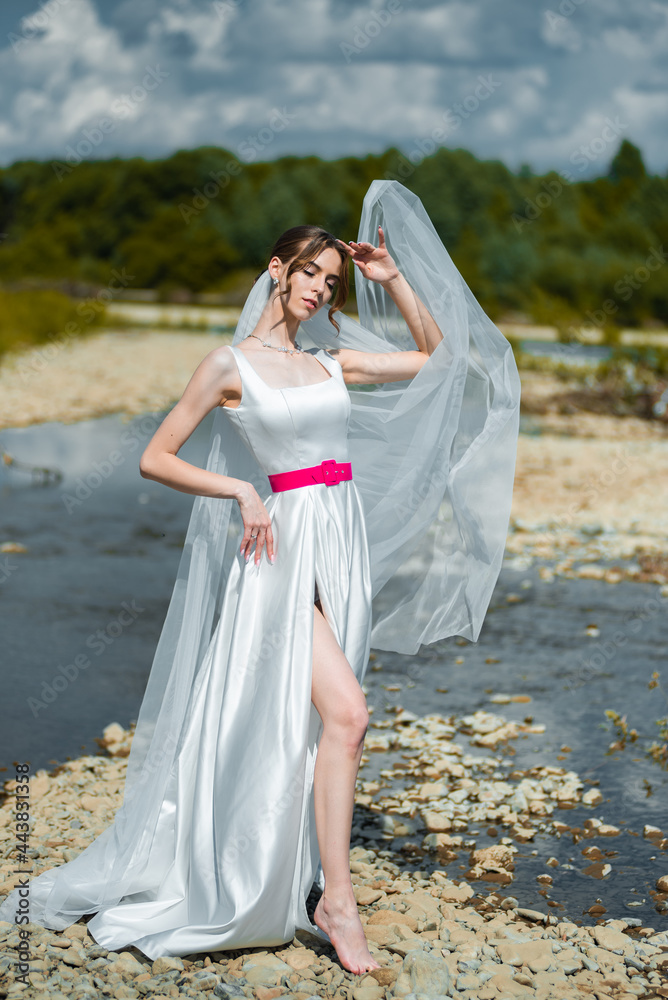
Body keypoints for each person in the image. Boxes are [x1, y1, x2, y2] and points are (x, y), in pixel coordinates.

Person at [0, 179, 521, 978]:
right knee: (348, 715)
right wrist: (242, 489)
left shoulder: (328, 358)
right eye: (310, 273)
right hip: (279, 554)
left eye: (331, 280)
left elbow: (437, 359)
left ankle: (288, 863)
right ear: (277, 270)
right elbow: (155, 456)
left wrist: (393, 281)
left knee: (310, 724)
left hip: (337, 542)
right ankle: (333, 901)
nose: (319, 288)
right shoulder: (229, 364)